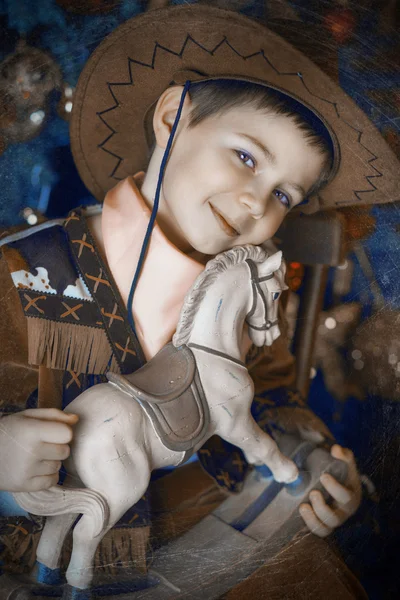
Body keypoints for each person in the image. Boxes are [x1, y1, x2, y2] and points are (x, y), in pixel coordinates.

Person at [0, 4, 398, 597]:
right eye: (245, 156)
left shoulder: (244, 294)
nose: (256, 205)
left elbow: (274, 396)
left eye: (284, 194)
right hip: (49, 554)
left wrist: (312, 458)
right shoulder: (21, 273)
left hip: (215, 525)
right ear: (172, 115)